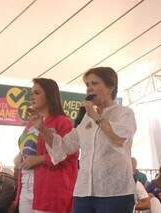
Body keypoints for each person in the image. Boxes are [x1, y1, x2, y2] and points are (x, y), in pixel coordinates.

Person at [41, 67, 137, 213]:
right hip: (83, 192)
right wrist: (42, 128)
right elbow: (64, 146)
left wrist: (96, 116)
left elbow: (119, 139)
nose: (89, 89)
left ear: (110, 87)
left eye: (94, 83)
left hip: (114, 192)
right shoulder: (86, 118)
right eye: (87, 85)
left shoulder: (125, 113)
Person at [13, 78, 78, 213]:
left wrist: (41, 159)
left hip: (50, 189)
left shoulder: (63, 122)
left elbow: (71, 156)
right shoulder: (31, 122)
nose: (32, 97)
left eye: (37, 93)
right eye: (31, 93)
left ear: (49, 95)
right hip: (26, 185)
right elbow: (28, 149)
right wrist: (19, 157)